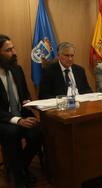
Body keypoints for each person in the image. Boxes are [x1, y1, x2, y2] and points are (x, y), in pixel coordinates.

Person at [0, 34, 42, 188]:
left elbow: (24, 94)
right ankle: (19, 178)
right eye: (9, 50)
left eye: (13, 48)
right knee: (12, 133)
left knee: (38, 132)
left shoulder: (17, 69)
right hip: (4, 119)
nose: (15, 52)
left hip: (21, 113)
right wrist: (18, 120)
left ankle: (20, 167)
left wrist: (28, 102)